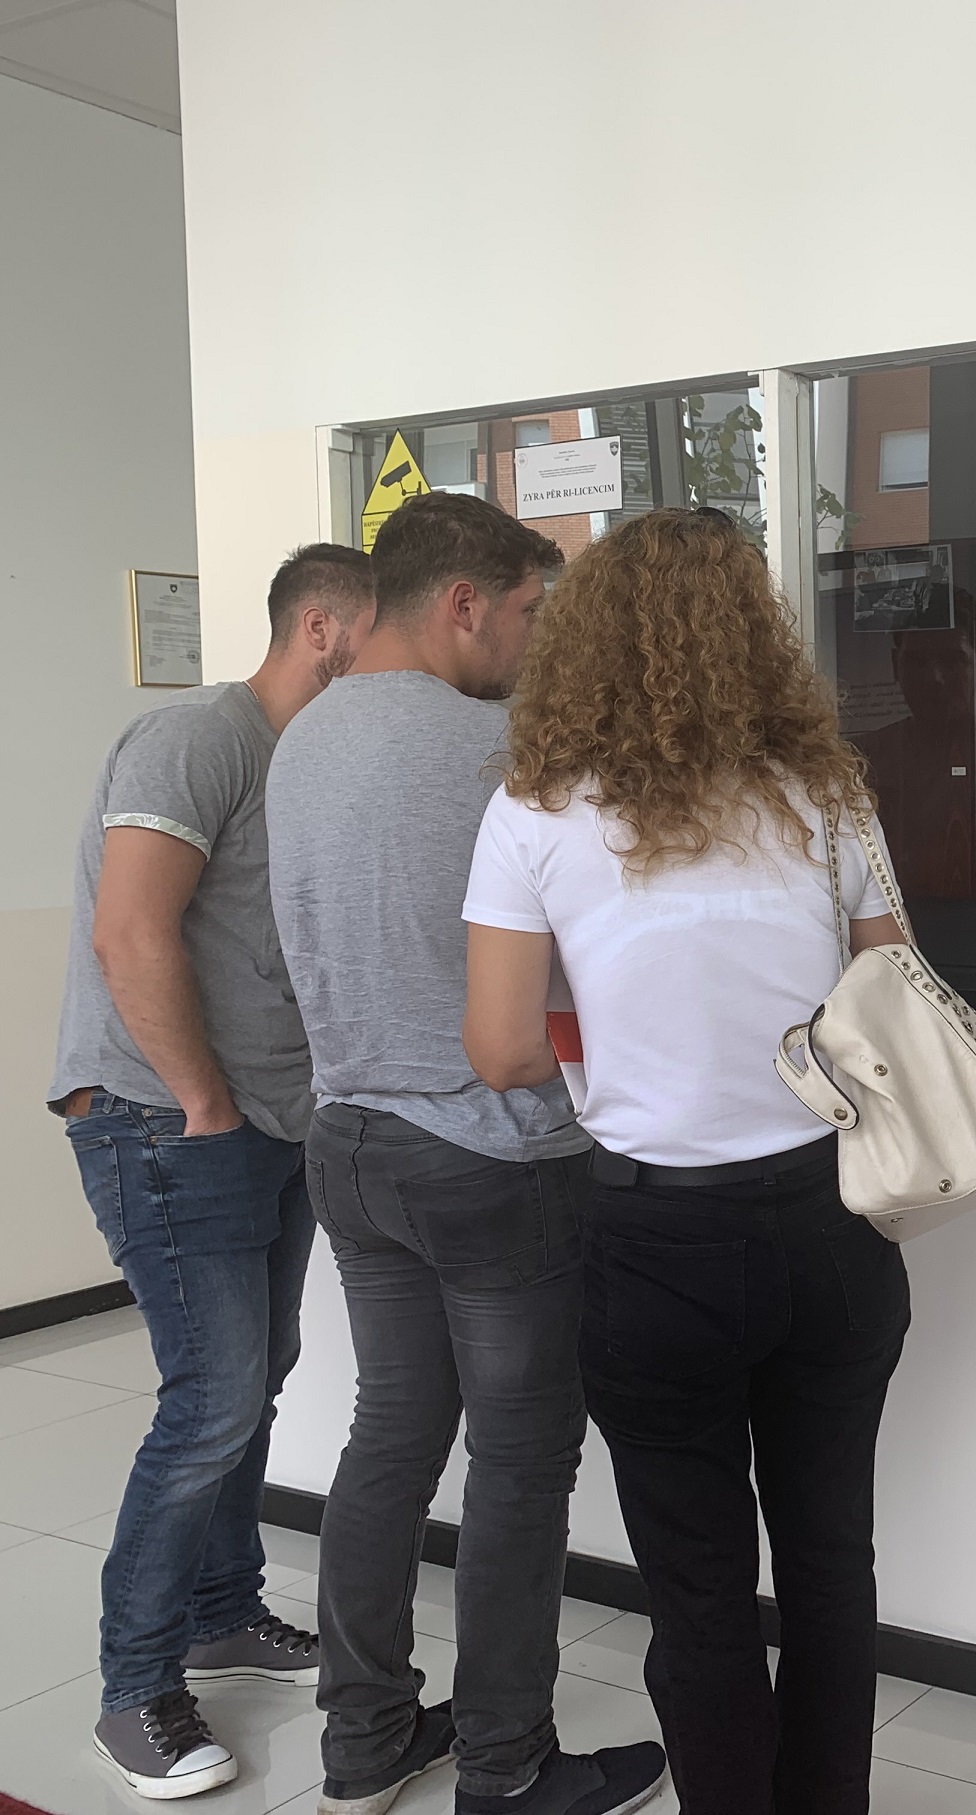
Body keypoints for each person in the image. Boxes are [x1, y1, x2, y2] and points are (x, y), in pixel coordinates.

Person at [457, 508, 911, 1815]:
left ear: (587, 638)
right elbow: (894, 1000)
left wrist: (616, 1051)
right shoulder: (826, 794)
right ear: (756, 632)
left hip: (652, 1241)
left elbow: (500, 1048)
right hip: (831, 1221)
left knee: (699, 1589)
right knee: (829, 1565)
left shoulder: (534, 809)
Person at [266, 493, 664, 1815]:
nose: (536, 642)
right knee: (519, 1461)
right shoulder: (503, 748)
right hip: (489, 1154)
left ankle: (365, 1738)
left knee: (389, 1435)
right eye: (531, 613)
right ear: (462, 602)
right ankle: (506, 1765)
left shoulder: (304, 735)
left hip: (351, 1141)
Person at [50, 546, 372, 1799]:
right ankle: (133, 1692)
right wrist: (203, 1104)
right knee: (212, 1400)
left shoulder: (305, 764)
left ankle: (221, 1612)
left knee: (255, 1380)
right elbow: (129, 931)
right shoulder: (196, 739)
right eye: (382, 638)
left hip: (267, 1124)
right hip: (165, 1122)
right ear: (322, 629)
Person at [851, 587, 976, 900]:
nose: (934, 677)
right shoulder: (862, 762)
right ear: (896, 665)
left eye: (952, 660)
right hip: (888, 926)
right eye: (917, 661)